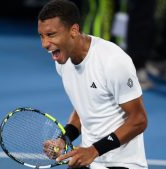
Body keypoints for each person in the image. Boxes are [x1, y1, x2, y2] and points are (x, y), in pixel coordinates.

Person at [37, 0, 148, 169]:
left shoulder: (113, 61)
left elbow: (139, 120)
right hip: (88, 160)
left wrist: (94, 150)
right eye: (41, 36)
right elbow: (83, 108)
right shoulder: (61, 62)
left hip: (122, 163)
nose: (44, 44)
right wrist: (63, 139)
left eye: (51, 35)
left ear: (74, 30)